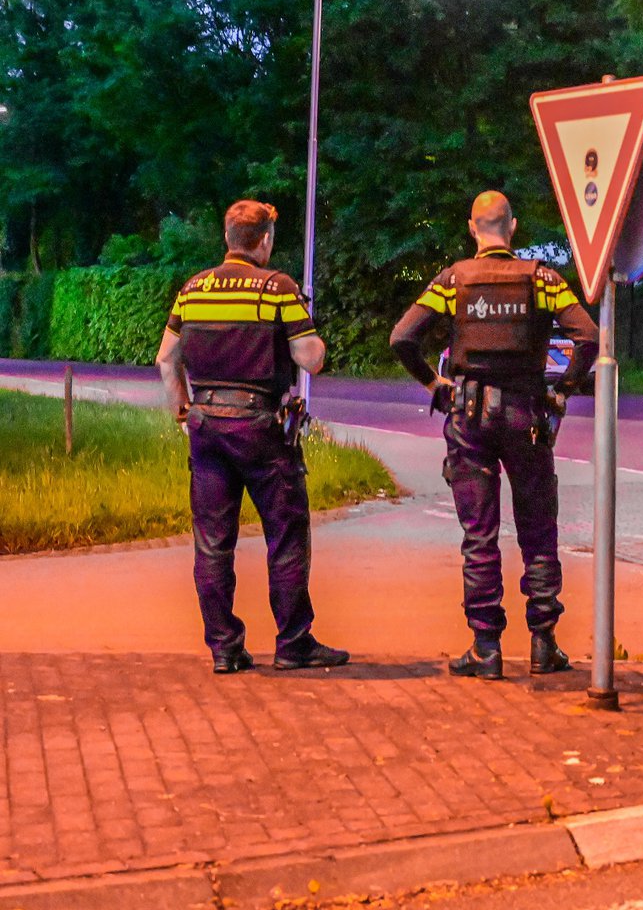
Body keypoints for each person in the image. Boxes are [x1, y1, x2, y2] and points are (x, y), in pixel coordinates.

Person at [390, 191, 599, 681]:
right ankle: (544, 644)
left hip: (469, 419)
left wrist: (433, 384)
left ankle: (486, 648)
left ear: (472, 228)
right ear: (514, 227)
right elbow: (588, 336)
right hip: (527, 416)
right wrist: (563, 389)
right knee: (538, 530)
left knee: (479, 535)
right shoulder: (542, 280)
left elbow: (402, 337)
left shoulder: (454, 280)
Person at [155, 200, 349, 674]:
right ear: (264, 241)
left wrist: (183, 410)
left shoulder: (193, 289)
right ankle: (293, 644)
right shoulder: (276, 287)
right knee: (284, 536)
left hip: (206, 428)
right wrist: (307, 325)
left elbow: (166, 359)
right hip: (261, 429)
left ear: (227, 238)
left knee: (212, 541)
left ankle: (224, 647)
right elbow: (311, 359)